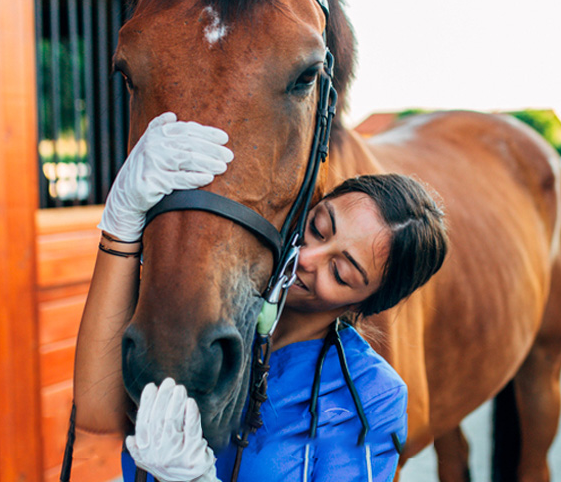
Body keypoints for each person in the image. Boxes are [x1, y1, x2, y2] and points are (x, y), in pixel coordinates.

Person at [74, 113, 448, 482]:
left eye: (340, 273)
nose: (306, 257)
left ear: (365, 303)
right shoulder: (206, 307)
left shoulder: (372, 398)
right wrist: (121, 225)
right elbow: (97, 413)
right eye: (318, 227)